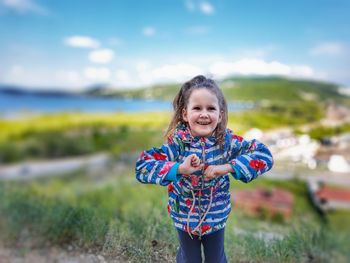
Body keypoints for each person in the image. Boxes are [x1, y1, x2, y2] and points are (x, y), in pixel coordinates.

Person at [135, 75, 273, 263]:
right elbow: (142, 166)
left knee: (216, 260)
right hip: (184, 218)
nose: (204, 114)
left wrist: (225, 168)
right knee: (189, 259)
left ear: (220, 114)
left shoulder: (228, 142)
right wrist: (180, 169)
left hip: (216, 219)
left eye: (211, 108)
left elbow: (264, 156)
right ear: (185, 113)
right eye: (197, 108)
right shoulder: (177, 145)